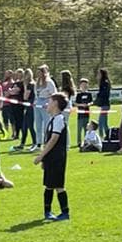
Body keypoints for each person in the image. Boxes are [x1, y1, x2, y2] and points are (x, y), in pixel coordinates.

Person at [34, 92, 70, 222]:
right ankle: (48, 211)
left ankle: (64, 212)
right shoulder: (53, 119)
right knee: (49, 185)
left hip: (57, 158)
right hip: (51, 158)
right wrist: (45, 159)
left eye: (49, 102)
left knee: (57, 185)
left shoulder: (59, 119)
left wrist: (41, 156)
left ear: (55, 104)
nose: (46, 105)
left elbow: (54, 139)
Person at [32, 65, 54, 148]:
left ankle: (47, 142)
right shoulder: (37, 82)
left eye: (40, 72)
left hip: (46, 103)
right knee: (37, 124)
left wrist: (49, 103)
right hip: (37, 103)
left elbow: (53, 94)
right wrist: (35, 102)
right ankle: (38, 143)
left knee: (46, 123)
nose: (38, 74)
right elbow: (36, 94)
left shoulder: (49, 82)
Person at [73, 78, 94, 148]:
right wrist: (81, 105)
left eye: (85, 84)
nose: (84, 85)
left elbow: (91, 102)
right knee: (79, 129)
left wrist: (88, 104)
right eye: (82, 84)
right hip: (80, 115)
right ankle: (79, 142)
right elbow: (75, 103)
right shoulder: (79, 95)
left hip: (86, 114)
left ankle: (86, 141)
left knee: (86, 128)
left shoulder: (89, 94)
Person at [95, 69, 113, 135]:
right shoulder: (103, 83)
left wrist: (98, 95)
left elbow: (105, 93)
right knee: (103, 123)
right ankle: (106, 136)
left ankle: (103, 136)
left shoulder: (105, 83)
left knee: (101, 123)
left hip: (105, 105)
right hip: (104, 105)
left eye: (99, 73)